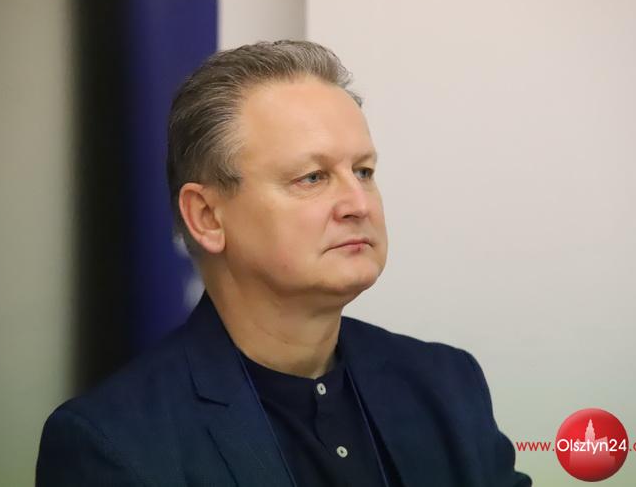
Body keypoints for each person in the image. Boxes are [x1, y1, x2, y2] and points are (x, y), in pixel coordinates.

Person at [36, 40, 531, 487]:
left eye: (363, 171)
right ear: (207, 216)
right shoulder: (113, 445)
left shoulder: (446, 384)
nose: (358, 204)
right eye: (312, 177)